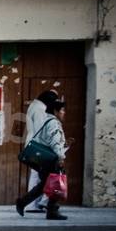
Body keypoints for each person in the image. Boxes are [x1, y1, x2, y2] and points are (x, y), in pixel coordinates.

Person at [16, 91, 68, 220]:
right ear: (55, 111)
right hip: (51, 158)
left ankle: (23, 202)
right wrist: (61, 156)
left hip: (44, 158)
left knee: (44, 184)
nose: (64, 113)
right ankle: (52, 211)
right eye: (62, 110)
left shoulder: (46, 120)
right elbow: (55, 141)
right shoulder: (53, 123)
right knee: (55, 183)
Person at [21, 91, 55, 213]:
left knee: (38, 175)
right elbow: (42, 130)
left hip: (34, 144)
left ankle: (37, 203)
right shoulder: (40, 109)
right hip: (38, 146)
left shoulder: (34, 106)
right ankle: (34, 204)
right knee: (39, 176)